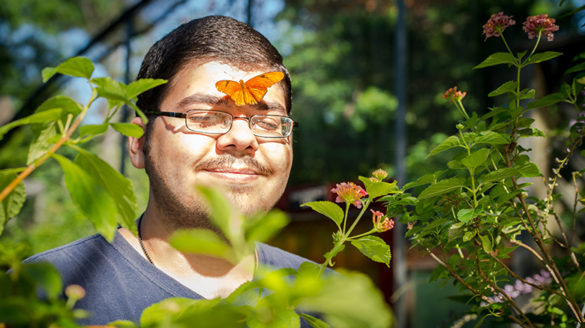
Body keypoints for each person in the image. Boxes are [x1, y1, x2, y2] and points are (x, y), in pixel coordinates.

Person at [25, 15, 312, 326]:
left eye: (268, 123)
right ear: (138, 143)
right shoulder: (37, 295)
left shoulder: (324, 300)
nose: (243, 139)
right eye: (205, 117)